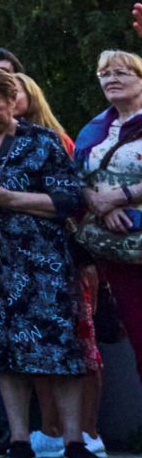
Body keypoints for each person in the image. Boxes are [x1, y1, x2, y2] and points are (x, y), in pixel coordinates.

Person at [0, 64, 103, 458]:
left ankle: (73, 440)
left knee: (60, 349)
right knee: (2, 352)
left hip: (41, 262)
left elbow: (68, 200)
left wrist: (8, 198)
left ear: (12, 100)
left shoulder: (43, 141)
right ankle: (19, 439)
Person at [75, 46, 142, 395]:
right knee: (139, 338)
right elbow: (77, 178)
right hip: (120, 251)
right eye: (104, 74)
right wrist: (101, 205)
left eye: (120, 72)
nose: (110, 79)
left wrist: (121, 196)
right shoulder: (95, 130)